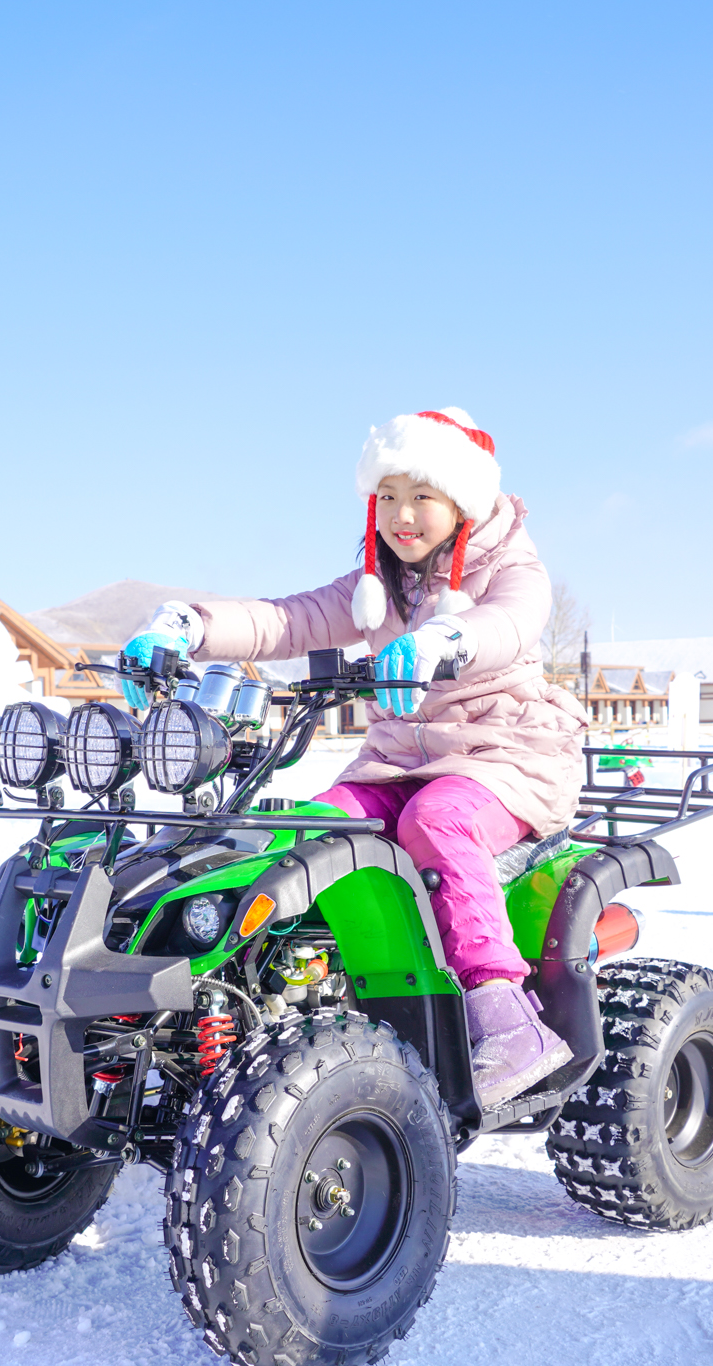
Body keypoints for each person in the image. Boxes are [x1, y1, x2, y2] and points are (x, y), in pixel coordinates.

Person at [119, 407, 587, 1106]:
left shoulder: (511, 566)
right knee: (305, 831)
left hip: (502, 755)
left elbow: (510, 622)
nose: (402, 515)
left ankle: (506, 1017)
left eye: (422, 496)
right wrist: (191, 624)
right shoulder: (378, 584)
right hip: (398, 762)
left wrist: (443, 641)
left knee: (437, 822)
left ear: (462, 501)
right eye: (388, 496)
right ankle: (290, 1001)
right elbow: (287, 619)